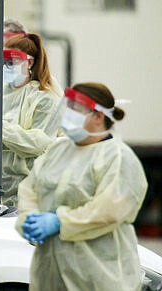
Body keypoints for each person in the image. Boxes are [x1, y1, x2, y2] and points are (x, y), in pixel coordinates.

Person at [16, 83, 148, 290]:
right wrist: (28, 217)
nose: (68, 113)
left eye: (75, 109)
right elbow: (30, 188)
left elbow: (109, 210)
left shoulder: (119, 158)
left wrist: (61, 221)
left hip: (99, 273)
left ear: (98, 116)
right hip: (50, 271)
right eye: (68, 106)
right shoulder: (58, 150)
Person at [0, 33, 61, 206]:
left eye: (12, 62)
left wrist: (1, 128)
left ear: (30, 62)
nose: (6, 66)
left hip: (27, 186)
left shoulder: (43, 98)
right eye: (3, 62)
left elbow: (39, 143)